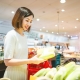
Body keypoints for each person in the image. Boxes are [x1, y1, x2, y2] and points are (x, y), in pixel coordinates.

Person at [3, 7, 45, 80]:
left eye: (31, 21)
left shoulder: (24, 36)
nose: (29, 24)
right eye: (27, 20)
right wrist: (30, 61)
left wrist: (33, 55)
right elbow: (7, 62)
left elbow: (20, 56)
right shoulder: (11, 35)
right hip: (13, 74)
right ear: (19, 18)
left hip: (23, 73)